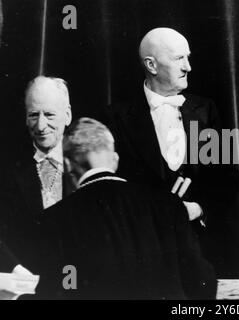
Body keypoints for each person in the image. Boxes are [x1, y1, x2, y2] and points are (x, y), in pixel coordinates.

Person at [101, 27, 239, 276]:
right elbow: (110, 192)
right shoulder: (115, 118)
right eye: (179, 59)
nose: (188, 67)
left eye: (188, 57)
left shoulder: (206, 110)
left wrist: (198, 208)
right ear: (151, 65)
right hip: (143, 255)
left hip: (202, 251)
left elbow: (227, 179)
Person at [36, 117, 217, 299]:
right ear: (115, 160)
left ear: (67, 165)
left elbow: (60, 290)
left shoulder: (56, 218)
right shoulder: (168, 203)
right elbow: (201, 281)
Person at [0, 76, 75, 272]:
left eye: (49, 115)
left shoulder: (86, 162)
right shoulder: (7, 167)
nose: (41, 126)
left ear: (67, 115)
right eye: (34, 115)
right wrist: (14, 268)